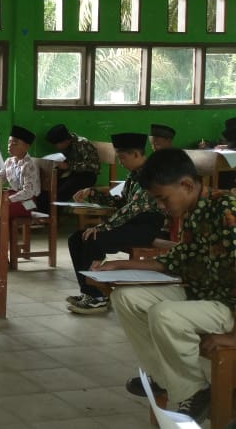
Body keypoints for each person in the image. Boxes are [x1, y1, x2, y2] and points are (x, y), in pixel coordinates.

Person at [94, 148, 236, 422]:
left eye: (162, 198)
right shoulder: (194, 210)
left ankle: (194, 391)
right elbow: (176, 261)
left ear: (186, 184)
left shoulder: (226, 212)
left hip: (229, 305)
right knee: (126, 298)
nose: (160, 206)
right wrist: (119, 266)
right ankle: (165, 379)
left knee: (165, 314)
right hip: (203, 296)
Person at [65, 133, 166, 314]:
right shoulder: (133, 175)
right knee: (75, 238)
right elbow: (121, 203)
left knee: (94, 238)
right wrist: (92, 193)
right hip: (130, 224)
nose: (120, 162)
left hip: (145, 227)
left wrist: (103, 227)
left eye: (122, 157)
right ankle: (89, 292)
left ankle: (97, 297)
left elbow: (133, 209)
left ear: (136, 154)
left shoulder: (150, 177)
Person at [0, 125, 40, 269]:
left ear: (26, 146)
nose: (10, 146)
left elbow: (28, 192)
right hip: (13, 199)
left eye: (15, 143)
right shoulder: (9, 162)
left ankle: (1, 259)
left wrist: (7, 200)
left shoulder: (29, 165)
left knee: (0, 210)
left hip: (29, 203)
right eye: (9, 142)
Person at [46, 123, 101, 202]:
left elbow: (94, 166)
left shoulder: (83, 144)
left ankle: (55, 213)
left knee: (60, 193)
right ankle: (47, 213)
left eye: (57, 145)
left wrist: (68, 166)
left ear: (65, 141)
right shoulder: (67, 146)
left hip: (86, 176)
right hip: (71, 174)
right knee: (50, 189)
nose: (57, 147)